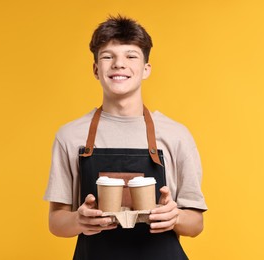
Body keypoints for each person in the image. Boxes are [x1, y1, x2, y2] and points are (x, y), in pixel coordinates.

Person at [44, 15, 207, 260]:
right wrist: (79, 220)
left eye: (131, 56)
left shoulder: (177, 136)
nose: (119, 64)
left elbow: (196, 224)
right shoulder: (69, 136)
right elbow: (56, 221)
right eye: (108, 56)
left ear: (146, 69)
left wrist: (176, 217)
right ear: (96, 69)